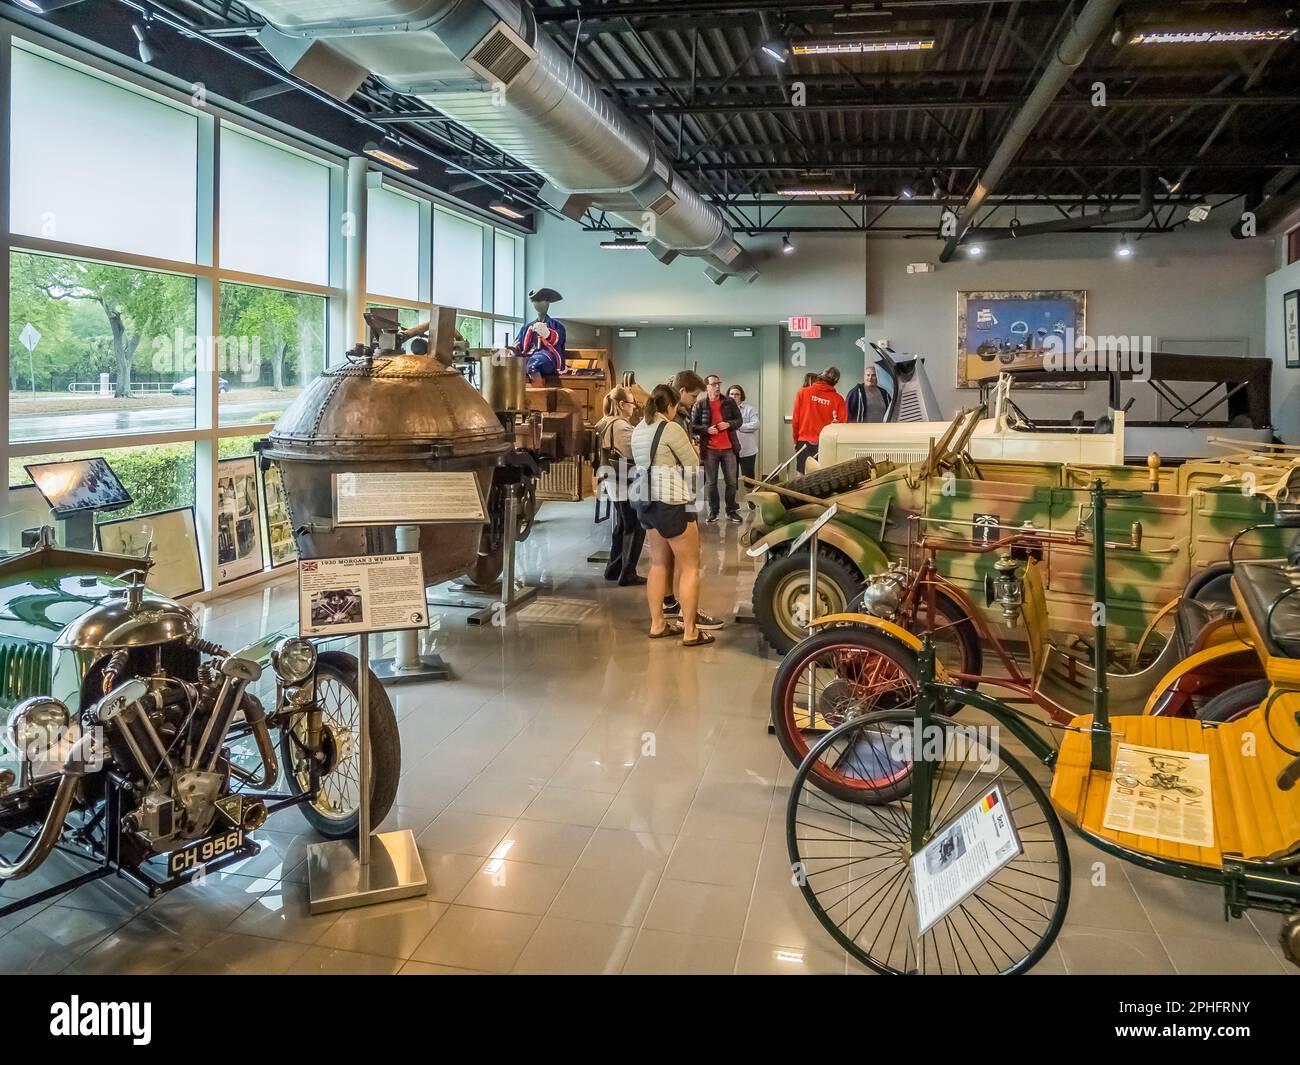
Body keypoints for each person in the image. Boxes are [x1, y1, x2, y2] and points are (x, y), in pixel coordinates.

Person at [631, 384, 713, 646]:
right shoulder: (671, 427)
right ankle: (690, 631)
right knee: (690, 566)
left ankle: (657, 624)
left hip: (646, 502)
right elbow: (692, 465)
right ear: (671, 406)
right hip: (672, 501)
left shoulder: (638, 429)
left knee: (658, 564)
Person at [593, 387, 645, 585]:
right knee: (635, 526)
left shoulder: (603, 422)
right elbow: (634, 453)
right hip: (624, 480)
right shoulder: (620, 426)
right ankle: (628, 572)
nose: (634, 408)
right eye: (632, 404)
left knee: (622, 524)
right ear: (622, 405)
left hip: (611, 479)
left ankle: (613, 569)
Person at [690, 374, 742, 524]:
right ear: (706, 387)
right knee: (711, 483)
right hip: (710, 450)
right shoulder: (699, 405)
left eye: (718, 383)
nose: (717, 387)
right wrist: (706, 430)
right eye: (713, 384)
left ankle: (731, 511)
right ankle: (714, 511)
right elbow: (692, 427)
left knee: (731, 481)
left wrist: (729, 424)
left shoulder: (729, 402)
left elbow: (739, 420)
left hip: (729, 449)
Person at [791, 366, 848, 472]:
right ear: (835, 382)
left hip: (804, 442)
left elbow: (795, 421)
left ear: (820, 377)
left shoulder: (803, 393)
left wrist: (795, 440)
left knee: (802, 478)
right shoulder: (838, 399)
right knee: (824, 478)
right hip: (826, 444)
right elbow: (842, 426)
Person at [515, 287, 567, 385]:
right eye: (535, 301)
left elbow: (558, 340)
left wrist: (547, 334)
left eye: (542, 300)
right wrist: (513, 349)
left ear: (548, 303)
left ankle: (538, 395)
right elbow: (519, 344)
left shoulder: (557, 326)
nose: (538, 304)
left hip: (548, 357)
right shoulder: (526, 327)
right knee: (509, 364)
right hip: (528, 356)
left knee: (533, 365)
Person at [729, 384, 760, 480]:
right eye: (731, 394)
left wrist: (737, 426)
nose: (734, 396)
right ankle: (734, 495)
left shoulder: (749, 409)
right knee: (731, 479)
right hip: (730, 451)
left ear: (741, 396)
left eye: (737, 394)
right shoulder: (724, 411)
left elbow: (756, 424)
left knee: (749, 479)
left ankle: (750, 495)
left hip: (747, 450)